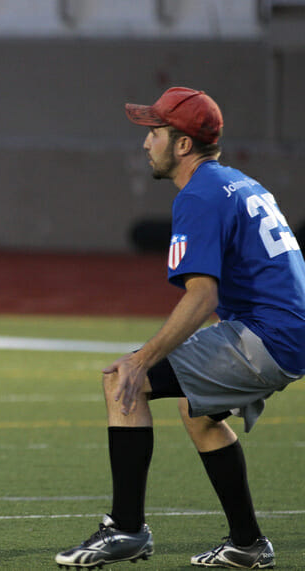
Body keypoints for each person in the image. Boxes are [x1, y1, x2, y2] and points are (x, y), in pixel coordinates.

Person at [55, 87, 305, 569]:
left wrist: (141, 359)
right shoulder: (238, 182)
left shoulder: (198, 196)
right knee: (199, 412)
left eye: (154, 132)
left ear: (183, 144)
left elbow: (202, 296)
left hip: (268, 335)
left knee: (123, 380)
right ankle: (248, 545)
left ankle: (126, 529)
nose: (146, 143)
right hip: (287, 330)